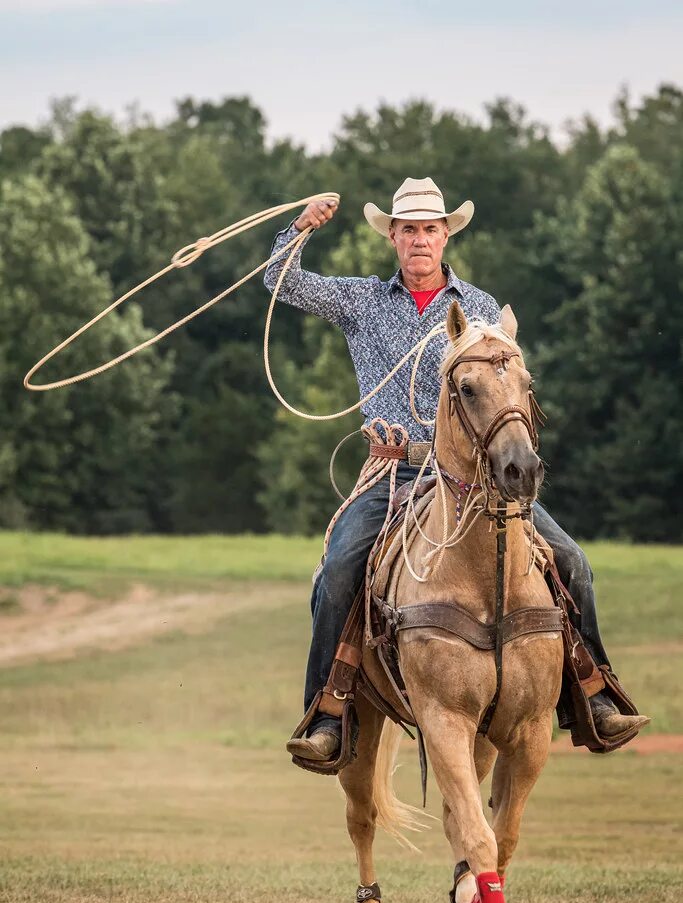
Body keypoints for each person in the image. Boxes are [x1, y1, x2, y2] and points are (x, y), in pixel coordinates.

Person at [264, 177, 648, 764]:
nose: (420, 239)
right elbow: (279, 282)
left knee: (570, 560)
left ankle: (591, 694)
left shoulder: (482, 310)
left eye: (430, 229)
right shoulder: (362, 299)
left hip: (474, 479)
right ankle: (330, 710)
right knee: (339, 569)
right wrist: (300, 228)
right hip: (392, 473)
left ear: (446, 236)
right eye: (409, 229)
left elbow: (505, 390)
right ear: (392, 237)